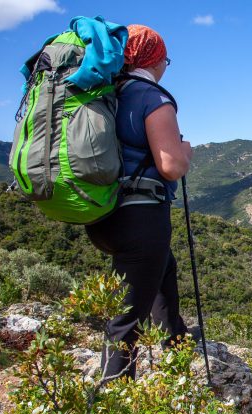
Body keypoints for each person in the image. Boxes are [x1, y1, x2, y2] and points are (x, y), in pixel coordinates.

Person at [85, 24, 193, 380]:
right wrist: (186, 152)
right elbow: (171, 166)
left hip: (103, 215)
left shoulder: (105, 95)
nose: (166, 66)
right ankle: (115, 403)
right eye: (166, 59)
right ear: (153, 58)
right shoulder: (152, 97)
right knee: (127, 321)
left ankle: (175, 342)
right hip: (142, 218)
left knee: (164, 269)